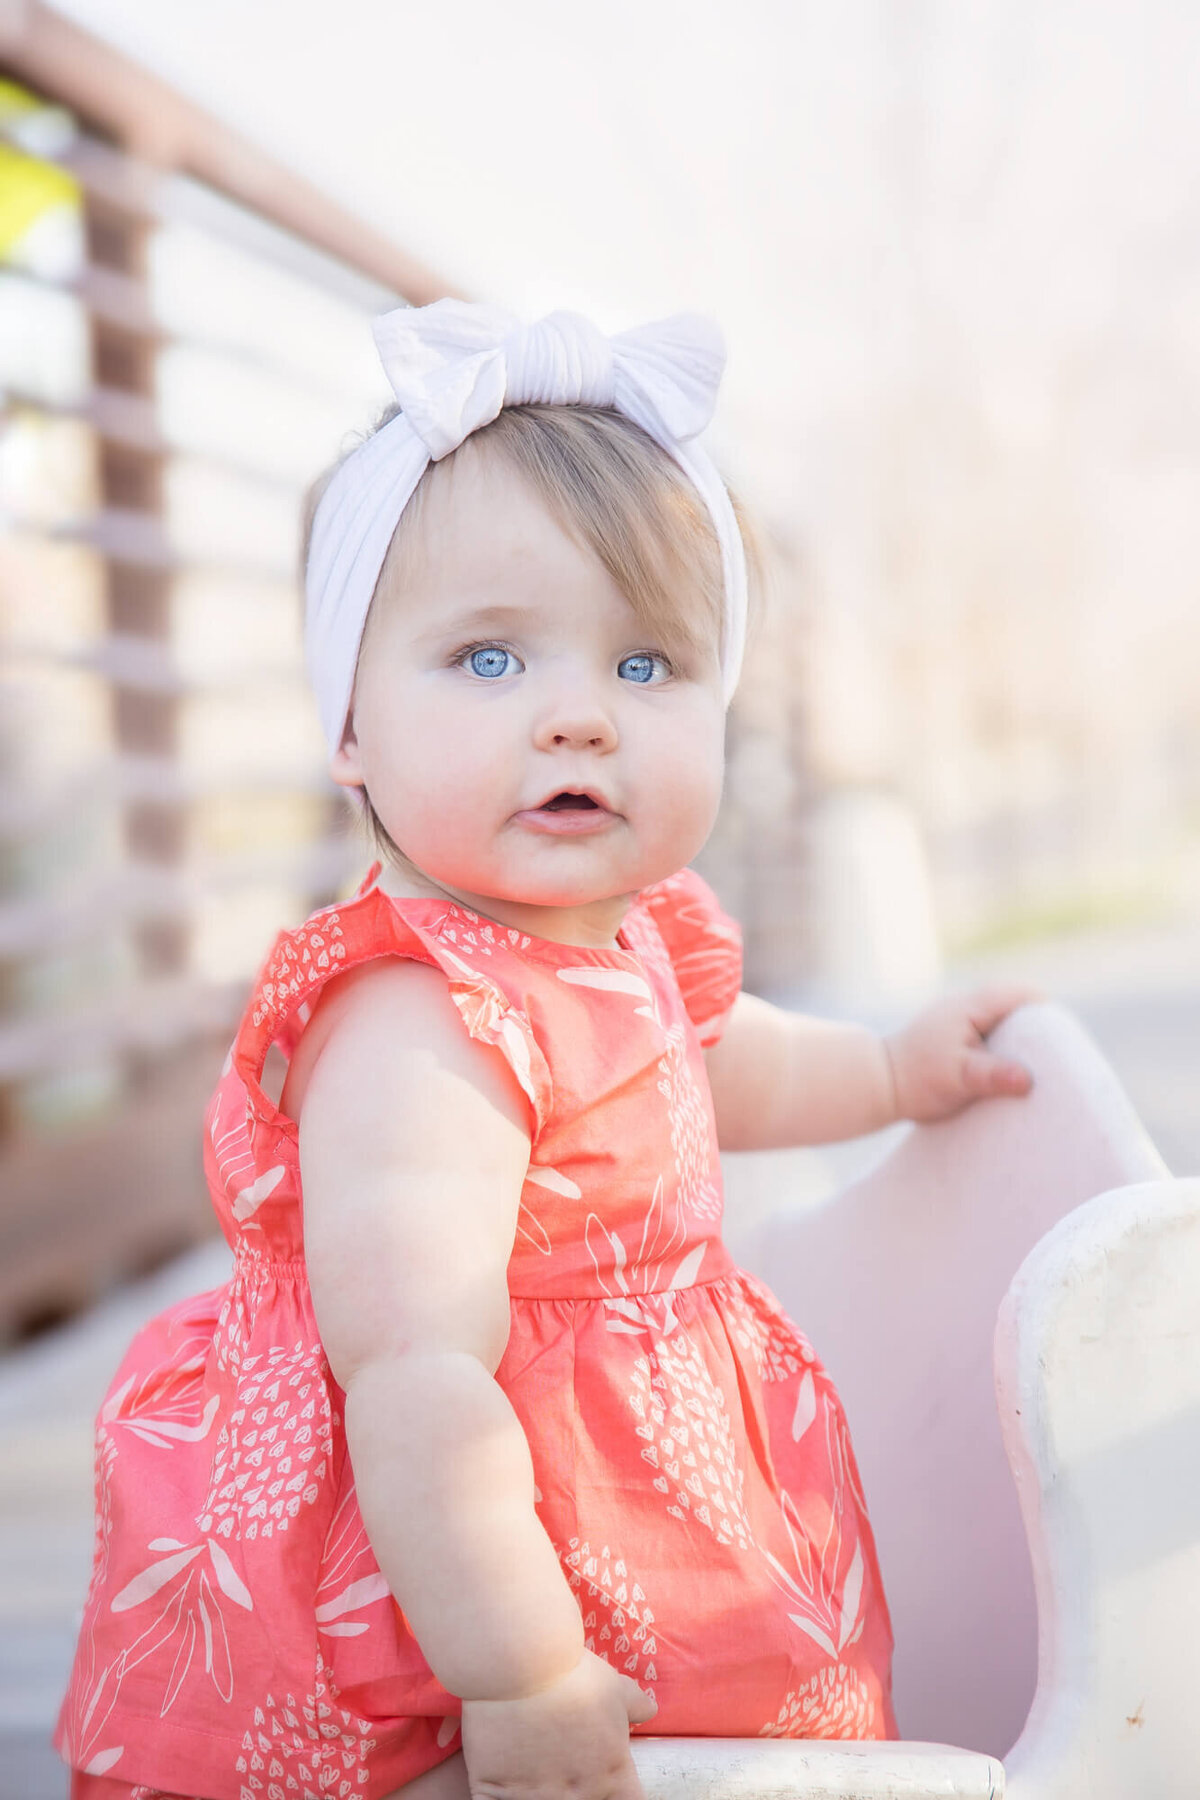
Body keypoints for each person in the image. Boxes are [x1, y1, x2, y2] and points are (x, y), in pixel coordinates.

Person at [57, 302, 1036, 1800]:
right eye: (490, 659)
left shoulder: (628, 932)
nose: (579, 715)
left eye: (646, 668)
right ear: (352, 730)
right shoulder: (415, 1022)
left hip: (633, 1496)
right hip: (470, 1573)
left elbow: (724, 1073)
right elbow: (414, 1376)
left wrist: (896, 1074)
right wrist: (517, 1676)